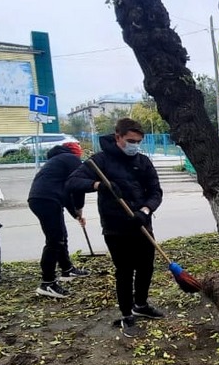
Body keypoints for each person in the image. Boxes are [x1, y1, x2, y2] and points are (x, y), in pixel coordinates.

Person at [67, 118, 163, 337]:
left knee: (146, 267)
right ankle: (126, 313)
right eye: (130, 140)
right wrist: (100, 185)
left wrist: (145, 211)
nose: (134, 145)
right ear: (118, 136)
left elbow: (156, 191)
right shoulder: (100, 161)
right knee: (125, 270)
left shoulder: (143, 162)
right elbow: (72, 182)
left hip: (142, 224)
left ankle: (141, 305)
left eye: (138, 141)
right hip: (116, 228)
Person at [28, 141, 90, 299]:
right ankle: (47, 283)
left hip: (43, 199)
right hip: (47, 199)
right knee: (55, 240)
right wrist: (80, 207)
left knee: (60, 236)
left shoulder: (57, 162)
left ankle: (67, 269)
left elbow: (68, 193)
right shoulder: (71, 159)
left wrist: (76, 215)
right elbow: (78, 186)